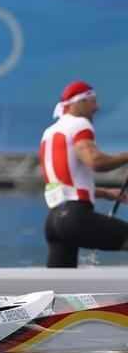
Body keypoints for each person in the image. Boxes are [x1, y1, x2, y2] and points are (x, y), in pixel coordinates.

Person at [40, 80, 128, 267]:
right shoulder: (80, 124)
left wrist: (105, 193)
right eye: (92, 101)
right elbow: (95, 161)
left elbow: (66, 183)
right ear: (77, 103)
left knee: (58, 288)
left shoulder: (49, 132)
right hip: (75, 219)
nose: (96, 108)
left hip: (54, 222)